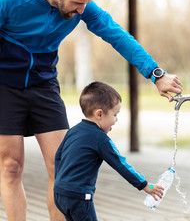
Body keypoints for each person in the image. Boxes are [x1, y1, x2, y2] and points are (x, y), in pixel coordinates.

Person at [0, 0, 182, 220]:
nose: (81, 11)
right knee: (11, 166)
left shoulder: (84, 7)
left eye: (86, 4)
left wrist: (155, 73)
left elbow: (116, 34)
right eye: (77, 3)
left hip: (43, 83)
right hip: (4, 84)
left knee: (61, 168)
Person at [54, 81, 164, 220]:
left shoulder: (73, 131)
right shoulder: (100, 139)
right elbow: (121, 164)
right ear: (99, 114)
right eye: (115, 114)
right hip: (79, 196)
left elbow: (58, 157)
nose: (116, 119)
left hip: (59, 193)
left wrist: (61, 181)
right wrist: (144, 185)